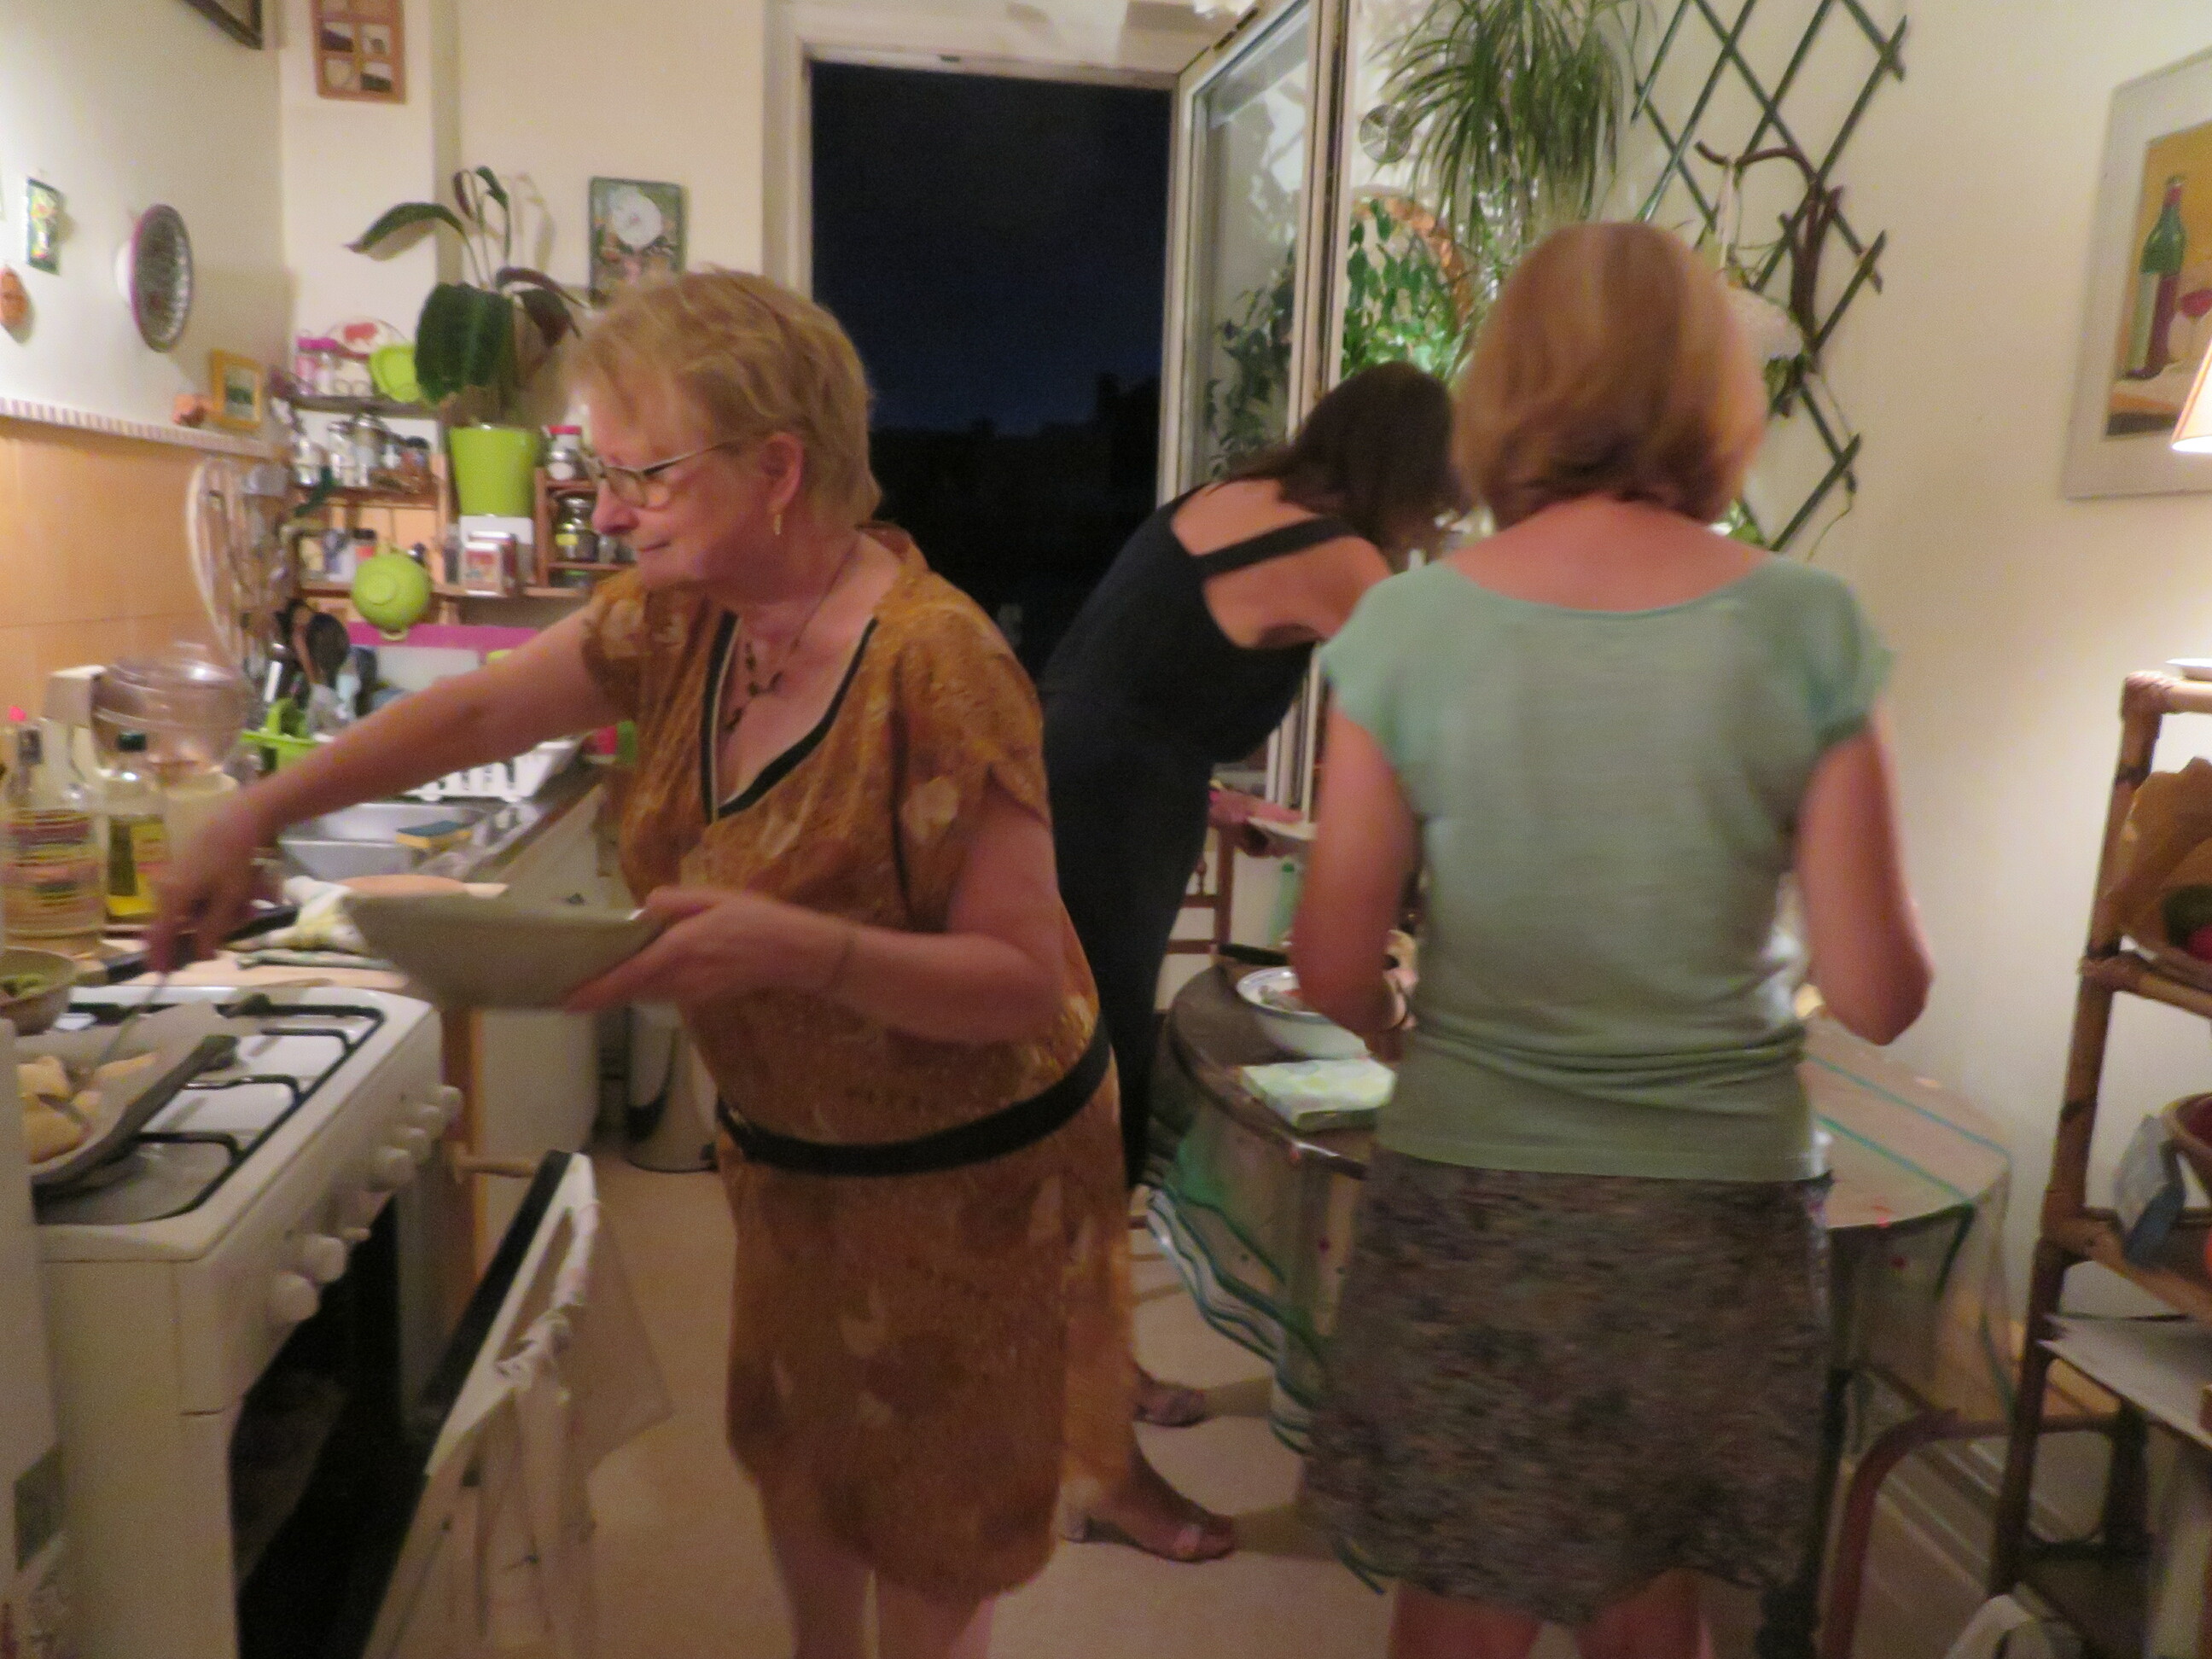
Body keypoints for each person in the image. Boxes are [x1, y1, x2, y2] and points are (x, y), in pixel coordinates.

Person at [152, 270, 1138, 1659]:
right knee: (801, 1450)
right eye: (600, 473)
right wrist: (255, 810)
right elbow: (483, 710)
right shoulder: (685, 617)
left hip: (969, 1169)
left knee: (934, 1514)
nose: (608, 513)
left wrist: (807, 952)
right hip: (795, 1155)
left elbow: (1023, 980)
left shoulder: (939, 663)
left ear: (777, 471)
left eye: (643, 476)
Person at [1290, 222, 1932, 1659]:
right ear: (1714, 395)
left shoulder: (1409, 626)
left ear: (1506, 392)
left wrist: (1397, 1028)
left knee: (1463, 1592)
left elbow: (1331, 966)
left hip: (1475, 1183)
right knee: (1656, 1587)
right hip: (1716, 1205)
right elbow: (1881, 993)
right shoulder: (1812, 624)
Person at [1038, 363, 1467, 1562]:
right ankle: (1100, 1472)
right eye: (1439, 502)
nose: (1436, 527)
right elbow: (1424, 724)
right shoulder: (1344, 557)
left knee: (1097, 1085)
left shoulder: (1230, 499)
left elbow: (1134, 671)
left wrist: (1216, 799)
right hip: (1106, 808)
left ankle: (1103, 1376)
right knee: (1094, 1109)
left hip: (1081, 778)